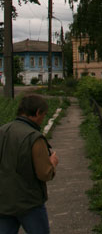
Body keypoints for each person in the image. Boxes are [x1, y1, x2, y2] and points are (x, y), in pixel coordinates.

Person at [0, 94, 59, 234]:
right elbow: (44, 173)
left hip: (3, 201)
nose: (42, 119)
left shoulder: (2, 130)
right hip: (29, 203)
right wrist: (52, 163)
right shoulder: (34, 137)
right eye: (43, 115)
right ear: (38, 112)